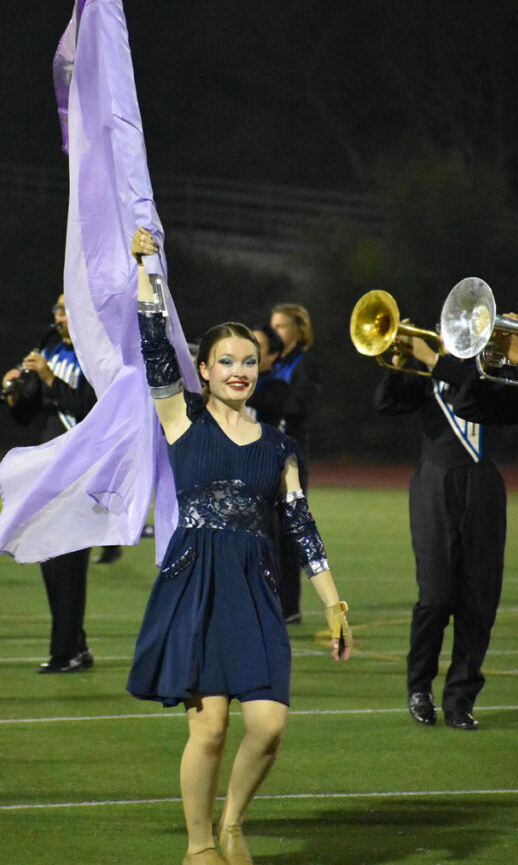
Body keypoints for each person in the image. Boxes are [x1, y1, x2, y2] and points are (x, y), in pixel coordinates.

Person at [126, 227, 351, 865]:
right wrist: (147, 267)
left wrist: (332, 601)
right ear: (203, 370)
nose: (238, 371)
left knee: (269, 725)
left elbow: (302, 526)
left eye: (248, 361)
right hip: (197, 581)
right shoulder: (181, 420)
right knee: (211, 726)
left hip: (254, 587)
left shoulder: (279, 448)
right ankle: (201, 847)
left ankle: (232, 821)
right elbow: (153, 349)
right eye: (225, 361)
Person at [373, 330, 507, 730]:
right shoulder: (429, 377)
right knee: (435, 597)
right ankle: (419, 688)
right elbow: (384, 404)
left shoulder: (494, 374)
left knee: (478, 600)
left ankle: (460, 700)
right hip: (434, 484)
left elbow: (472, 385)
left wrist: (433, 359)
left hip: (483, 486)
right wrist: (398, 365)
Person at [2, 293, 101, 673]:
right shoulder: (53, 352)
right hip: (47, 469)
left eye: (67, 308)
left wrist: (47, 376)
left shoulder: (97, 356)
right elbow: (29, 416)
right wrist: (14, 392)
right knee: (48, 558)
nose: (60, 316)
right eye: (58, 309)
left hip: (80, 470)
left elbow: (89, 408)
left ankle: (67, 652)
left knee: (69, 564)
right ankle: (75, 643)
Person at [268, 304, 322, 623]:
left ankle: (289, 606)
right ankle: (270, 598)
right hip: (263, 452)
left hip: (289, 455)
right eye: (271, 326)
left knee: (288, 529)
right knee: (266, 528)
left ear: (298, 330)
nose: (275, 332)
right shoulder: (271, 363)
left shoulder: (305, 363)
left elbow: (299, 405)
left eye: (281, 326)